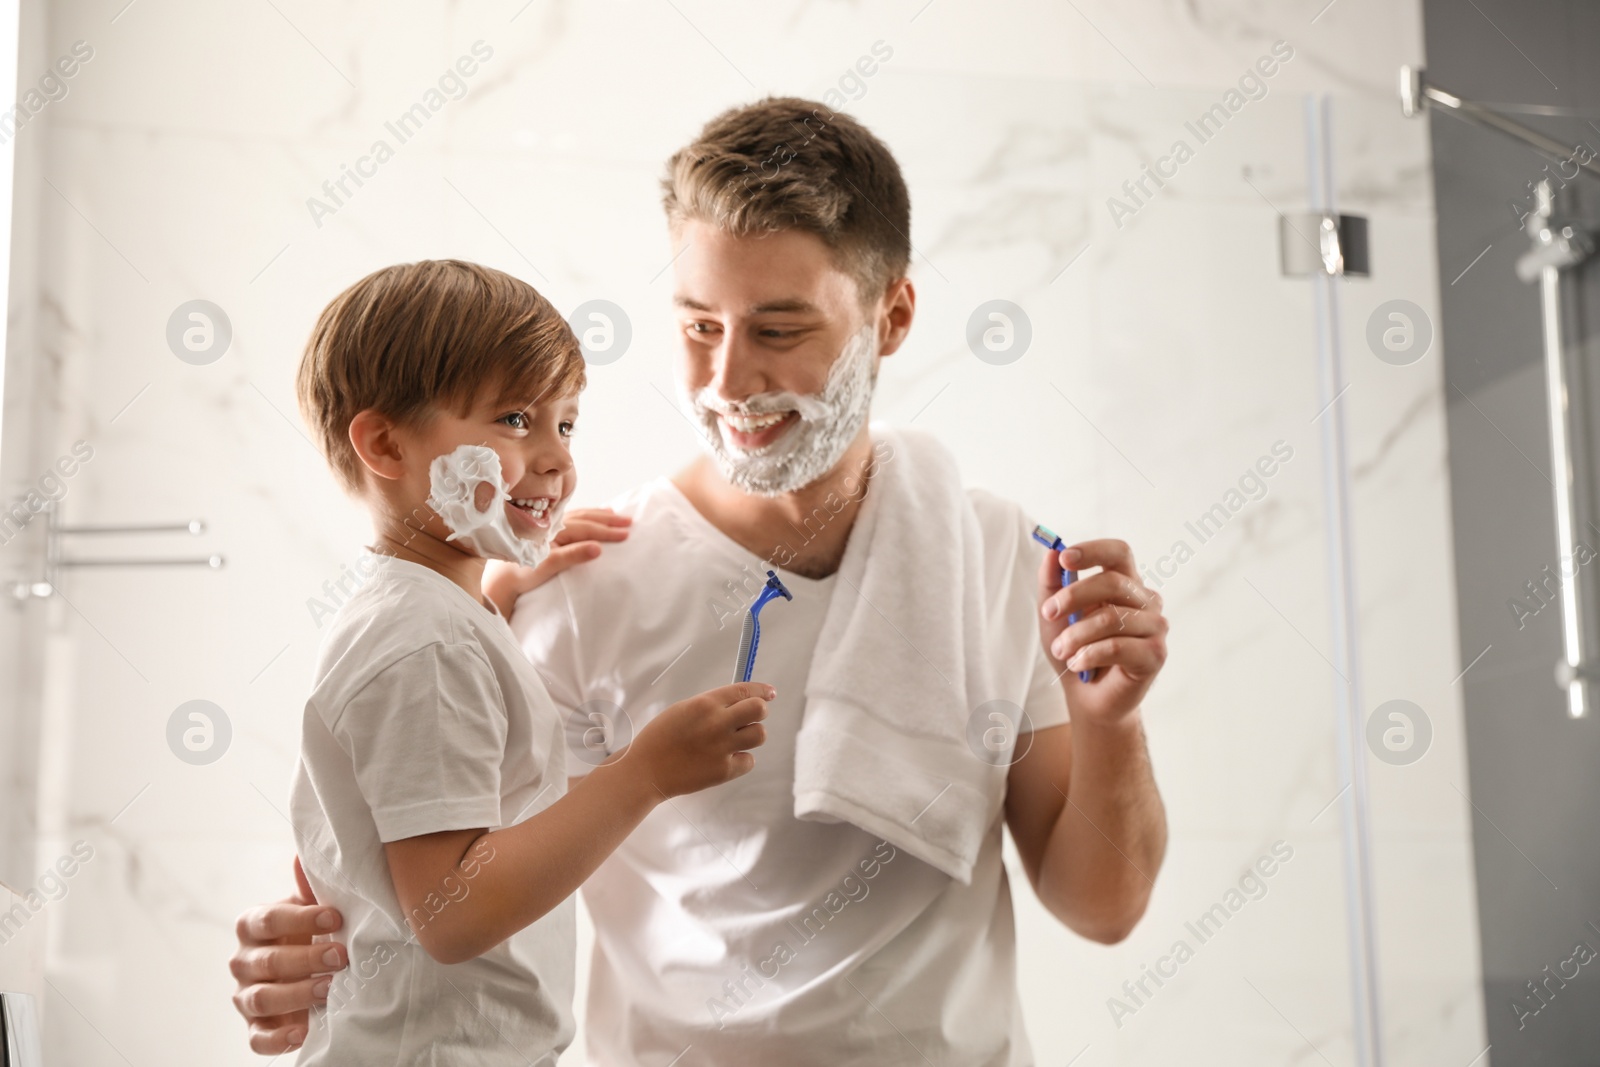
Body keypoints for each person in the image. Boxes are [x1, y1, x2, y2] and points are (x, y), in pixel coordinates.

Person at [234, 100, 1169, 1065]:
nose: (729, 379)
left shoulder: (992, 558)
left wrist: (1113, 720)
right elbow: (432, 868)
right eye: (697, 325)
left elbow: (1103, 908)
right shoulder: (584, 584)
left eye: (778, 328)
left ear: (891, 316)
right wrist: (306, 954)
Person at [281, 259, 770, 1062]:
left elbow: (483, 795)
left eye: (565, 423)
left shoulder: (440, 613)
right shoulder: (427, 642)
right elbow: (452, 912)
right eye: (515, 419)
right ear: (384, 443)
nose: (555, 459)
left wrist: (503, 589)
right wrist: (644, 771)